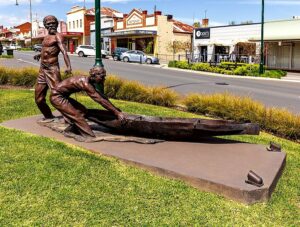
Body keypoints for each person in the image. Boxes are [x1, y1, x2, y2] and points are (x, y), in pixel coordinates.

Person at [50, 66, 125, 138]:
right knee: (78, 116)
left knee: (83, 111)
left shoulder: (89, 81)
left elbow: (102, 97)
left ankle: (71, 130)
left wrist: (114, 109)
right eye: (102, 77)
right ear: (94, 75)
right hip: (56, 97)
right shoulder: (85, 83)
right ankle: (88, 136)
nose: (104, 79)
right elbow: (100, 100)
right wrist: (116, 113)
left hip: (63, 96)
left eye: (104, 77)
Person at [34, 15, 72, 121]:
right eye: (48, 24)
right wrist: (39, 55)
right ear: (45, 25)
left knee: (58, 95)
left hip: (52, 69)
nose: (51, 25)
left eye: (53, 23)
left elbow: (64, 51)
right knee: (39, 99)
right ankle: (48, 116)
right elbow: (46, 50)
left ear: (57, 24)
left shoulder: (58, 36)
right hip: (42, 70)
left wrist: (68, 66)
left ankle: (70, 117)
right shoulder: (46, 37)